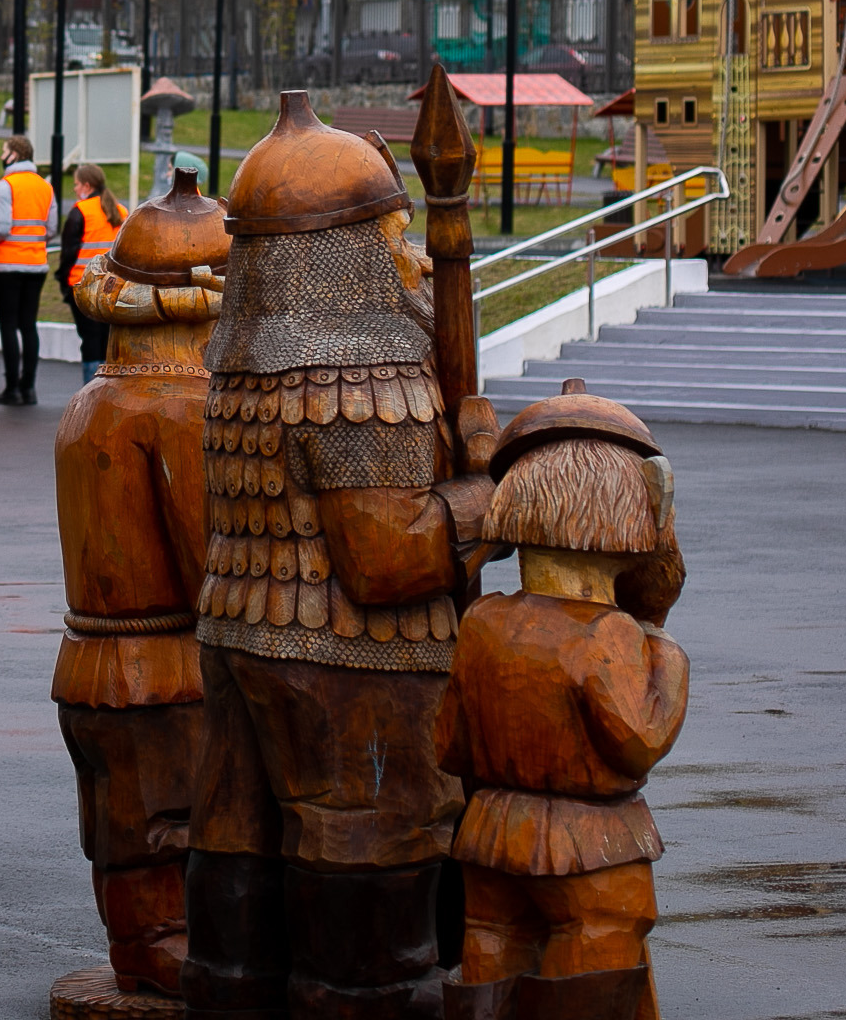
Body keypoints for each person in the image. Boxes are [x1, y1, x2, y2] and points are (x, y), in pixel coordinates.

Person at [185, 94, 502, 1018]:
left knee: (239, 826)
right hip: (350, 654)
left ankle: (232, 985)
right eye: (392, 236)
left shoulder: (245, 360)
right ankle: (367, 995)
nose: (408, 255)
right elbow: (384, 558)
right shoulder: (361, 369)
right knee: (365, 833)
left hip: (245, 627)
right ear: (349, 245)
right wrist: (493, 497)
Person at [443, 382, 690, 1020]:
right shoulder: (607, 634)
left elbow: (449, 745)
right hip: (591, 840)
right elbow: (638, 742)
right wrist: (664, 650)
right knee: (594, 968)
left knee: (489, 964)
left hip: (492, 833)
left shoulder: (483, 622)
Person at [51, 160, 225, 996]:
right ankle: (156, 947)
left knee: (116, 823)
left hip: (88, 659)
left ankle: (138, 940)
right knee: (167, 821)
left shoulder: (91, 400)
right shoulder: (182, 409)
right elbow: (208, 565)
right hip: (159, 668)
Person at [0, 133, 56, 406]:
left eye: (5, 151)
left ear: (13, 154)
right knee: (29, 325)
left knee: (8, 325)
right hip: (36, 265)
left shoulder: (6, 186)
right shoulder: (44, 186)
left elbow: (1, 228)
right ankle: (29, 387)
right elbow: (50, 229)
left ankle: (11, 387)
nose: (3, 155)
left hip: (7, 265)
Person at [58, 160, 128, 376]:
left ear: (87, 186)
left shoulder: (80, 211)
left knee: (89, 338)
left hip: (83, 285)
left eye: (77, 184)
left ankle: (90, 389)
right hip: (113, 287)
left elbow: (68, 252)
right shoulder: (121, 211)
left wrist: (63, 281)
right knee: (107, 340)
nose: (75, 188)